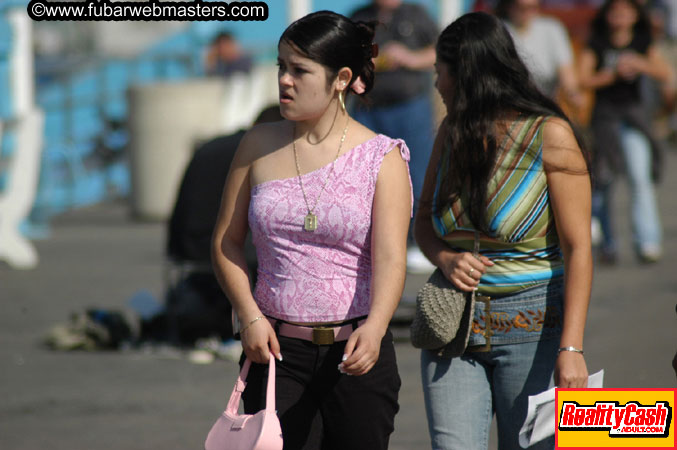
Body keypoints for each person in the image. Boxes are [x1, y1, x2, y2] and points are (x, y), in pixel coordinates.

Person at [211, 10, 412, 450]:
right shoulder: (257, 144)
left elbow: (391, 257)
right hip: (276, 352)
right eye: (281, 67)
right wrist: (248, 315)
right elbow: (226, 241)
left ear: (341, 78)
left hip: (357, 351)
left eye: (299, 70)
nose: (284, 80)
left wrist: (376, 328)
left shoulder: (383, 157)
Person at [414, 12, 591, 449]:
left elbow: (579, 249)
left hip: (535, 328)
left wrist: (572, 349)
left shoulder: (550, 135)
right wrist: (445, 257)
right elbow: (422, 221)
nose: (437, 84)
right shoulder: (452, 133)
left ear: (466, 75)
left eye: (441, 72)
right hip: (451, 327)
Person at [578, 0, 673, 264]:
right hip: (605, 120)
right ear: (607, 15)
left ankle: (647, 241)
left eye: (625, 12)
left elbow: (665, 73)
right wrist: (613, 74)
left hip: (634, 119)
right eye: (615, 12)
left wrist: (641, 65)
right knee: (604, 182)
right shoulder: (596, 43)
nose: (620, 17)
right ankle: (607, 244)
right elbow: (582, 79)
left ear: (634, 16)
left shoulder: (642, 43)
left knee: (639, 178)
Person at [350, 0, 437, 273]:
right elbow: (344, 56)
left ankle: (417, 243)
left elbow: (441, 50)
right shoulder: (358, 17)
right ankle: (369, 246)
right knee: (366, 179)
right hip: (368, 110)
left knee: (417, 177)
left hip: (411, 108)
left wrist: (409, 57)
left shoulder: (417, 14)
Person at [495, 0, 583, 108]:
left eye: (533, 7)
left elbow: (566, 70)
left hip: (544, 103)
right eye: (521, 7)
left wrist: (572, 93)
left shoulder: (552, 28)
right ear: (509, 6)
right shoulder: (498, 30)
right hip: (508, 105)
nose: (527, 12)